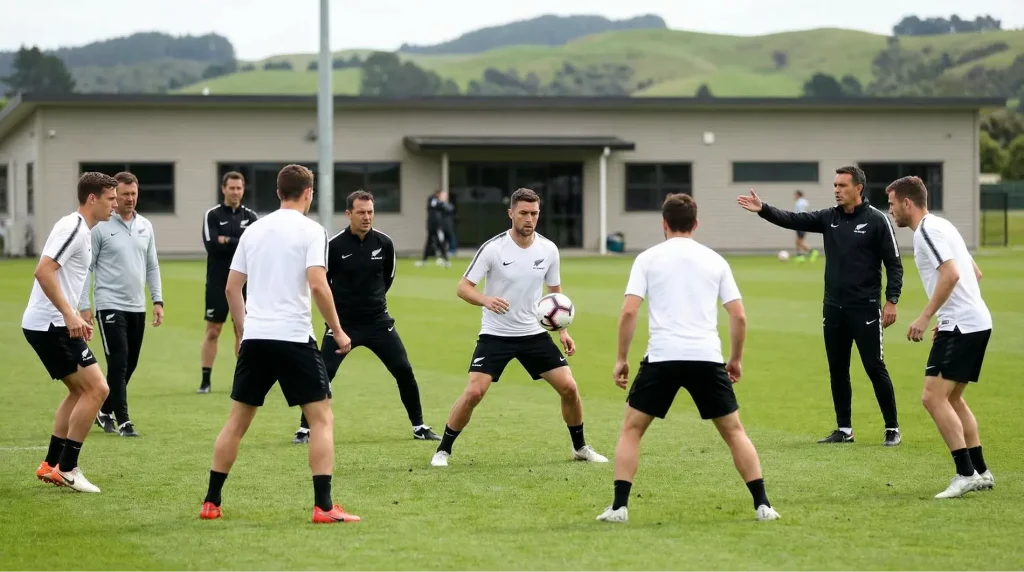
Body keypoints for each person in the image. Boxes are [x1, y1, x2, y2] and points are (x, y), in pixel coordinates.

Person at [597, 193, 779, 523]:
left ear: (663, 224)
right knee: (734, 432)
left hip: (663, 357)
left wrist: (621, 358)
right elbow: (738, 316)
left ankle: (619, 508)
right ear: (696, 224)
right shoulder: (715, 260)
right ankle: (763, 505)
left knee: (631, 430)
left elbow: (628, 311)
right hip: (706, 358)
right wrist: (735, 359)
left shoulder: (648, 258)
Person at [199, 164, 360, 524]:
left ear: (277, 193)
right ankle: (323, 506)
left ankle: (211, 502)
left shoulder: (254, 230)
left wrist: (242, 330)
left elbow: (231, 288)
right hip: (292, 338)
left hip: (256, 338)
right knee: (321, 419)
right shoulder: (313, 230)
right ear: (309, 193)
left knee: (237, 422)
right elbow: (318, 284)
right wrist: (338, 329)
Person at [430, 187, 607, 467]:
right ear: (511, 213)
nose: (529, 219)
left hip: (533, 334)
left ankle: (580, 447)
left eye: (534, 213)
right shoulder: (493, 248)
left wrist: (562, 330)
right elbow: (463, 288)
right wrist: (486, 300)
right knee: (475, 392)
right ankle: (443, 450)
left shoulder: (548, 249)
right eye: (523, 213)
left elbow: (555, 296)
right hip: (496, 334)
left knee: (570, 388)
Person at [736, 166, 904, 446]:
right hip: (833, 309)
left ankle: (892, 427)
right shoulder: (829, 218)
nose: (836, 190)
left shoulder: (877, 221)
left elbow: (894, 264)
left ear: (858, 188)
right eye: (835, 185)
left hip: (865, 309)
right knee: (838, 370)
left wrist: (892, 300)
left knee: (874, 367)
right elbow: (793, 219)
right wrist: (763, 208)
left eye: (842, 185)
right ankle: (844, 430)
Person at [292, 190, 440, 444]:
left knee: (404, 370)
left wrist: (373, 304)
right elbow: (322, 284)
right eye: (361, 212)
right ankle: (305, 428)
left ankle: (419, 426)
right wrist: (336, 322)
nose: (366, 217)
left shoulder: (384, 243)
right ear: (349, 214)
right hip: (343, 325)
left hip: (378, 323)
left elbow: (387, 279)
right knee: (323, 373)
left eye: (370, 212)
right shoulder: (333, 246)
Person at [885, 176, 994, 499]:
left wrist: (926, 315)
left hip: (961, 324)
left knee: (932, 397)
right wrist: (949, 312)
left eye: (892, 204)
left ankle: (965, 474)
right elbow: (975, 273)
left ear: (907, 203)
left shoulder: (926, 232)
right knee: (952, 399)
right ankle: (981, 471)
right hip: (974, 321)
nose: (890, 211)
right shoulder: (944, 226)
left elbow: (952, 274)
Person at [23, 172, 118, 493]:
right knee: (98, 390)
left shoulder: (82, 231)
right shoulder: (74, 228)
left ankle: (52, 464)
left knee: (80, 392)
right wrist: (68, 315)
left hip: (54, 323)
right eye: (111, 199)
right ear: (92, 198)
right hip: (51, 325)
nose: (115, 206)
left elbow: (63, 278)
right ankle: (67, 468)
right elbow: (43, 271)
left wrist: (77, 315)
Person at [78, 171, 164, 438]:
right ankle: (124, 420)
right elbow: (86, 268)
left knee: (131, 362)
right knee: (118, 362)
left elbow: (152, 265)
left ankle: (103, 409)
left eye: (133, 194)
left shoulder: (145, 226)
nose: (129, 199)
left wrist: (157, 299)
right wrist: (84, 305)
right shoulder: (101, 227)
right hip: (109, 305)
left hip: (137, 306)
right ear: (116, 196)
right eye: (124, 194)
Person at [198, 171, 258, 394]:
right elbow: (212, 245)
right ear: (223, 189)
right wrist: (238, 241)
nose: (235, 192)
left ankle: (243, 379)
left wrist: (227, 240)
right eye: (231, 188)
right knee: (213, 330)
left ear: (243, 190)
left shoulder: (251, 217)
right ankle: (205, 380)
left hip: (244, 283)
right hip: (217, 282)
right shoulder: (212, 215)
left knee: (241, 330)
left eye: (239, 188)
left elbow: (255, 247)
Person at [416, 189, 452, 268]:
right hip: (432, 226)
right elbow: (435, 204)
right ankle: (424, 260)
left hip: (437, 226)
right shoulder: (432, 199)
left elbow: (448, 209)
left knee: (440, 242)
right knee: (429, 242)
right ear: (438, 194)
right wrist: (442, 201)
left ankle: (445, 260)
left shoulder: (441, 204)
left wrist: (443, 202)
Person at [792, 190, 818, 262]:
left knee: (800, 241)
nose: (794, 197)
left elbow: (800, 213)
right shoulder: (805, 202)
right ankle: (800, 255)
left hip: (800, 222)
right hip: (806, 222)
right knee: (798, 240)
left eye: (795, 195)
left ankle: (812, 251)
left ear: (798, 195)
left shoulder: (798, 203)